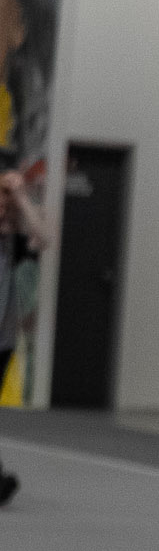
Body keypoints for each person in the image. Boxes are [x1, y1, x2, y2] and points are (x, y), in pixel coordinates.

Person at [0, 167, 48, 503]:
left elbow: (42, 237)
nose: (3, 210)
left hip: (2, 341)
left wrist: (22, 198)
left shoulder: (12, 244)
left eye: (7, 206)